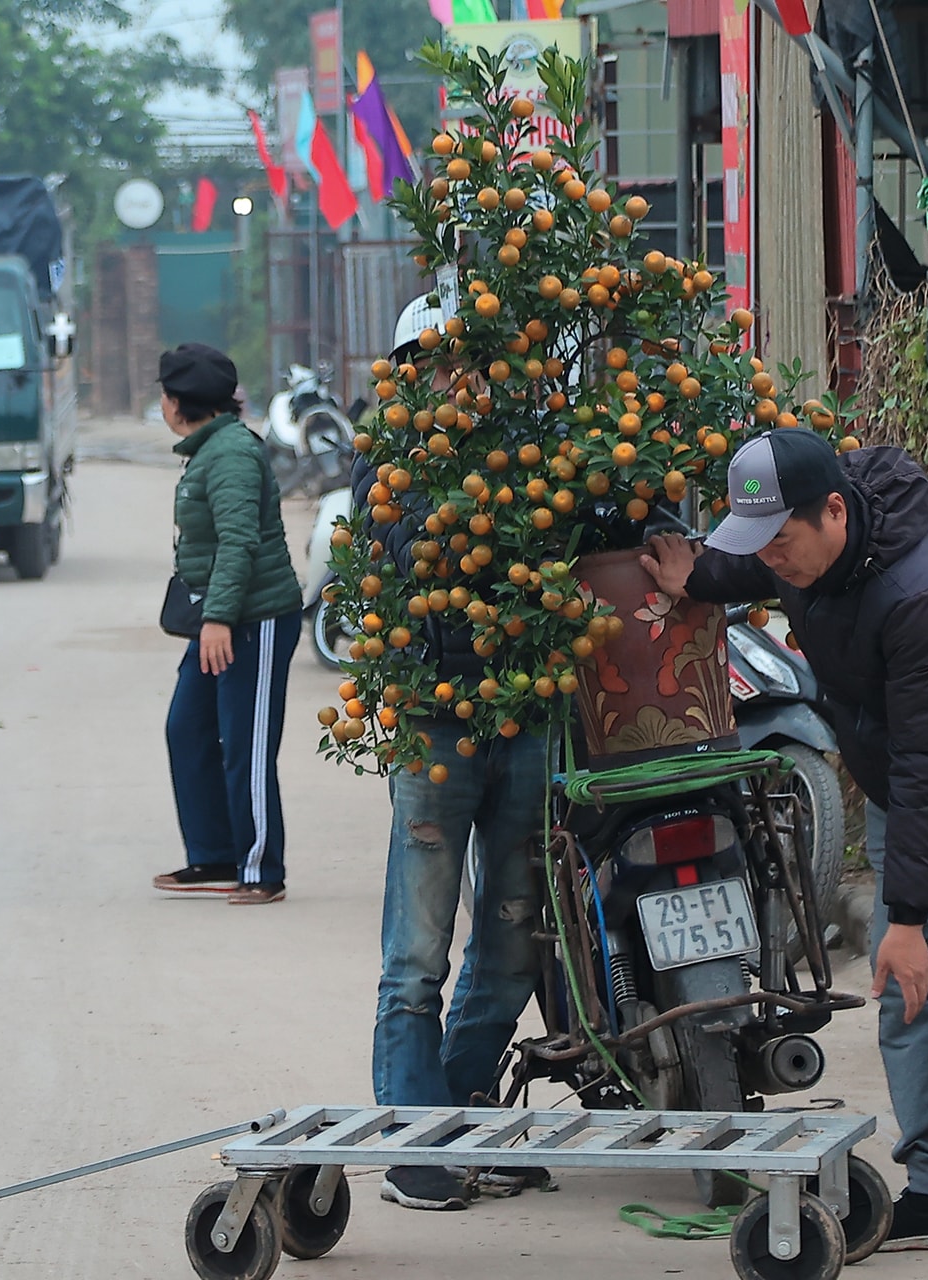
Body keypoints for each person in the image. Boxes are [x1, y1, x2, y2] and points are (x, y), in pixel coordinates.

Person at [642, 429, 928, 1261]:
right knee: (905, 990)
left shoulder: (923, 592)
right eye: (759, 542)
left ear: (835, 512)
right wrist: (696, 572)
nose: (773, 559)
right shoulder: (801, 548)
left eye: (782, 540)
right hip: (911, 788)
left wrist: (910, 917)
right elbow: (748, 564)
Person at [361, 297, 553, 1212]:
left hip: (526, 713)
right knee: (418, 951)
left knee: (515, 934)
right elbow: (401, 546)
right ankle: (413, 1140)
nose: (455, 378)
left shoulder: (538, 440)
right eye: (434, 362)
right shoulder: (389, 456)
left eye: (470, 360)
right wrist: (471, 496)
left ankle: (464, 1110)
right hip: (436, 726)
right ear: (408, 370)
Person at [151, 344, 302, 905]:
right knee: (186, 728)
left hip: (254, 620)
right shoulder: (210, 450)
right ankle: (214, 855)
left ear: (177, 402)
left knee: (247, 745)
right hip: (220, 618)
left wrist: (218, 618)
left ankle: (262, 868)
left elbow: (240, 541)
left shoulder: (233, 454)